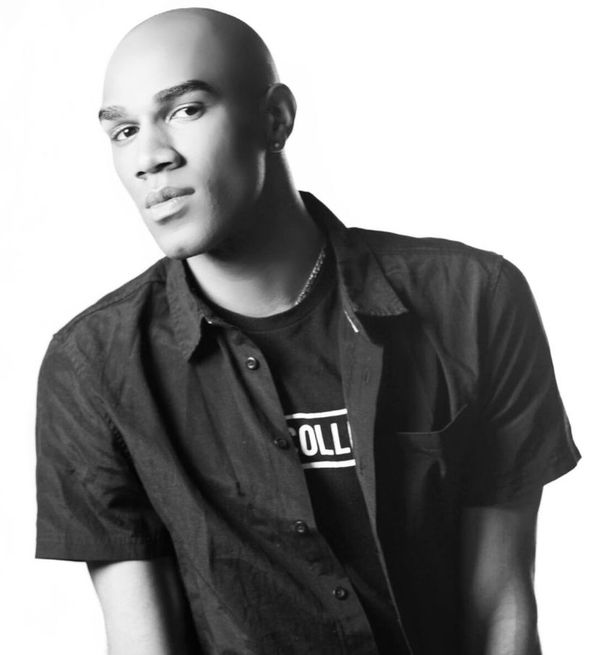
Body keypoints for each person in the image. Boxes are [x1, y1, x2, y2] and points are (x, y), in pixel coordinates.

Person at [35, 7, 580, 655]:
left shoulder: (473, 300)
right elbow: (142, 641)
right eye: (124, 131)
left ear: (276, 119)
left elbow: (501, 608)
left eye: (185, 110)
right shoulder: (93, 366)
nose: (150, 157)